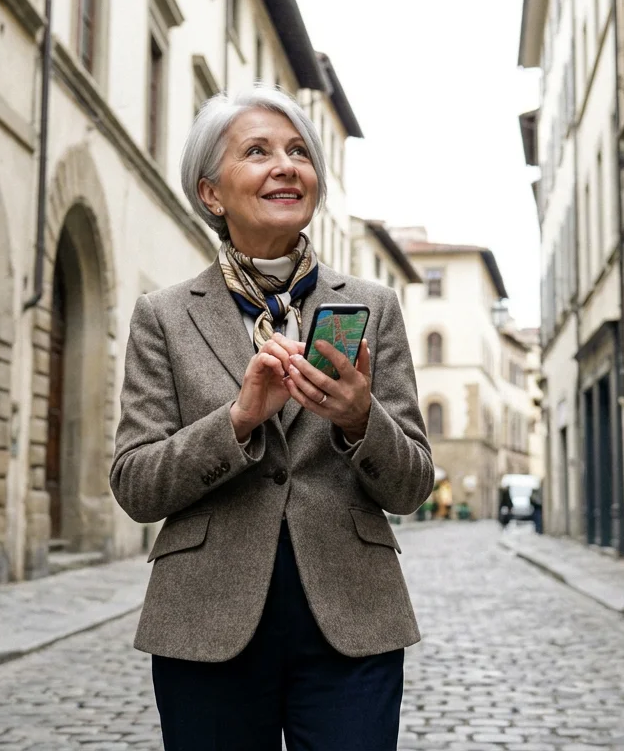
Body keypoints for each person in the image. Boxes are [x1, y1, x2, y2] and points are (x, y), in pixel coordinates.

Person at [109, 86, 435, 750]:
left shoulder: (372, 306)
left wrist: (358, 420)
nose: (287, 166)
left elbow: (412, 485)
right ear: (211, 193)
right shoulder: (164, 316)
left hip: (353, 621)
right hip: (205, 622)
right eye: (257, 152)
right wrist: (236, 420)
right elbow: (135, 484)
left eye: (298, 153)